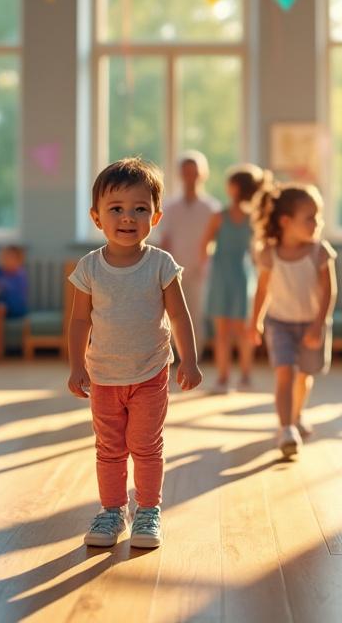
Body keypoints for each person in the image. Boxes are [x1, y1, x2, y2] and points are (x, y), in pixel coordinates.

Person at [68, 158, 200, 550]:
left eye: (140, 209)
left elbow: (178, 314)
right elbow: (79, 321)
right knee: (109, 449)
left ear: (155, 217)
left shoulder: (160, 264)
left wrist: (189, 359)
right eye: (116, 209)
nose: (128, 218)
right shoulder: (89, 268)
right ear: (97, 218)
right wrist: (76, 366)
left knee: (145, 445)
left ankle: (147, 510)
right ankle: (112, 510)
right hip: (104, 377)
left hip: (149, 373)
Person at [248, 182, 337, 459]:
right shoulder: (269, 254)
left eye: (318, 216)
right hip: (280, 324)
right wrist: (255, 322)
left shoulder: (319, 251)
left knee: (304, 376)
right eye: (309, 217)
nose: (317, 223)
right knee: (284, 373)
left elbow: (329, 291)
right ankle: (286, 428)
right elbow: (262, 290)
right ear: (286, 221)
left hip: (311, 323)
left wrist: (319, 324)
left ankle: (297, 415)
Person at [200, 164, 266, 392]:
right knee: (241, 331)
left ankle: (224, 379)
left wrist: (208, 265)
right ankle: (242, 378)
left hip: (227, 276)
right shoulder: (252, 219)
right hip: (242, 275)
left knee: (223, 333)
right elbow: (258, 254)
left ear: (235, 188)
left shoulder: (220, 216)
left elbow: (204, 246)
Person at [157, 151, 220, 357]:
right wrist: (163, 269)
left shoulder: (212, 208)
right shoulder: (170, 207)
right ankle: (173, 353)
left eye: (194, 172)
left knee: (195, 313)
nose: (190, 176)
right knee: (170, 312)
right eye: (186, 172)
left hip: (200, 269)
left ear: (202, 174)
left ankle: (194, 355)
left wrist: (204, 264)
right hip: (173, 269)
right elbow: (165, 239)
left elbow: (214, 241)